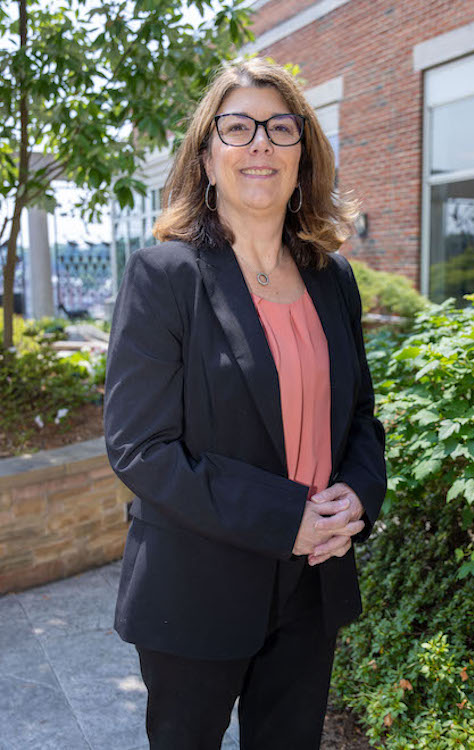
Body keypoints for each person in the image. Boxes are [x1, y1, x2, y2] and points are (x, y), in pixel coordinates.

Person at [104, 57, 386, 750]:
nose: (259, 143)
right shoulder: (164, 275)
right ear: (206, 158)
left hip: (312, 584)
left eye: (279, 128)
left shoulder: (334, 278)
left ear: (303, 155)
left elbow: (359, 418)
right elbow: (140, 447)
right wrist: (287, 516)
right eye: (237, 127)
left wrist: (359, 491)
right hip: (196, 588)